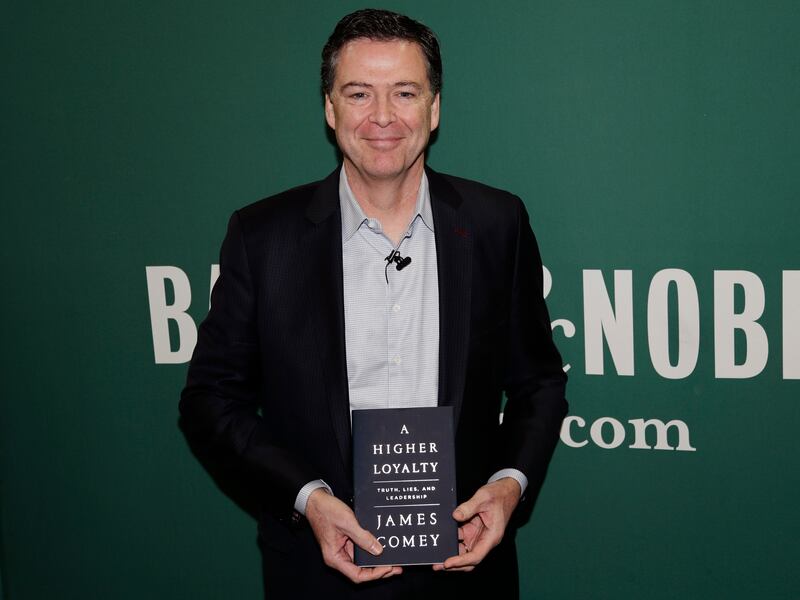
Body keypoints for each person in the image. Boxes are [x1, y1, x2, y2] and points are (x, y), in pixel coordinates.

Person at [180, 8, 567, 599]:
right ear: (330, 109)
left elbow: (539, 382)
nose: (382, 116)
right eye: (359, 93)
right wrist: (308, 499)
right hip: (317, 574)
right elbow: (209, 400)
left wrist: (509, 484)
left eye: (404, 93)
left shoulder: (497, 223)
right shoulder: (263, 238)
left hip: (466, 572)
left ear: (434, 109)